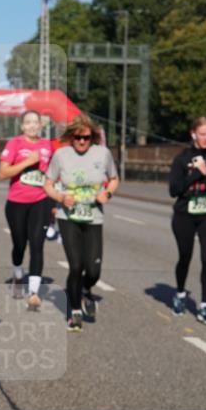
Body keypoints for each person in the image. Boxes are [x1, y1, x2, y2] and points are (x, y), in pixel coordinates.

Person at [43, 115, 119, 332]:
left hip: (94, 217)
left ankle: (85, 290)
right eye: (77, 138)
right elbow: (47, 184)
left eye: (86, 138)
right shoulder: (61, 155)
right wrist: (60, 197)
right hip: (68, 217)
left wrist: (107, 194)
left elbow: (114, 180)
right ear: (71, 137)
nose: (81, 142)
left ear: (92, 137)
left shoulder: (102, 154)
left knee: (93, 270)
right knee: (76, 266)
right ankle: (75, 310)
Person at [168, 116, 206, 325]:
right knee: (185, 257)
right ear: (193, 134)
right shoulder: (182, 158)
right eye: (202, 134)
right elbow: (173, 190)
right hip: (184, 213)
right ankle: (180, 294)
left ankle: (204, 306)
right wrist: (195, 174)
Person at [0, 110, 54, 309]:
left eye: (35, 122)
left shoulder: (47, 145)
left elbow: (54, 173)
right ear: (22, 126)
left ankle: (33, 292)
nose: (32, 126)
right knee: (19, 244)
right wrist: (28, 162)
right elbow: (2, 173)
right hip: (16, 202)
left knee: (37, 244)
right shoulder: (15, 143)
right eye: (28, 122)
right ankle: (17, 274)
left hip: (41, 201)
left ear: (40, 125)